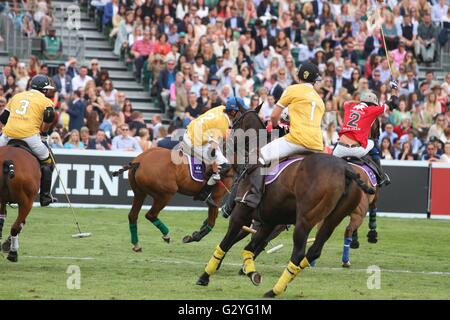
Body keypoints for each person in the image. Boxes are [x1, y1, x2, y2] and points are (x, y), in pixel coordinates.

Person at [238, 62, 325, 209]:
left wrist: (277, 127)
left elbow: (274, 115)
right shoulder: (319, 100)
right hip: (317, 145)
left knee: (260, 156)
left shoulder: (293, 89)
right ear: (314, 80)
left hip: (297, 140)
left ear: (299, 78)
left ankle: (254, 196)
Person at [0, 75, 56, 206]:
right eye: (47, 89)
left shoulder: (16, 96)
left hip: (7, 135)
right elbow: (48, 120)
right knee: (48, 161)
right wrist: (43, 133)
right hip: (29, 137)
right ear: (44, 90)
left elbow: (3, 118)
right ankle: (45, 196)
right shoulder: (47, 101)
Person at [182, 97, 246, 207]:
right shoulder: (222, 123)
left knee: (221, 161)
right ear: (233, 111)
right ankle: (204, 193)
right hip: (194, 141)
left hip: (193, 131)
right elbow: (213, 148)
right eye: (240, 111)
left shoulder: (221, 108)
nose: (241, 114)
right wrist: (215, 166)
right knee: (224, 166)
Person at [333, 86, 399, 185]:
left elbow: (346, 102)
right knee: (373, 141)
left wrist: (359, 102)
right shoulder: (372, 110)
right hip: (356, 151)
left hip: (339, 151)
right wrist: (394, 90)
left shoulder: (349, 106)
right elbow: (393, 103)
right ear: (373, 105)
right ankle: (381, 175)